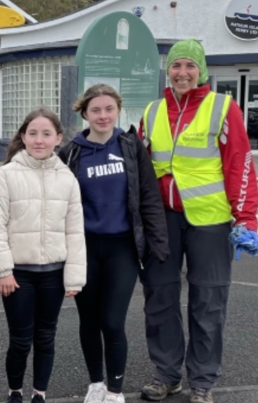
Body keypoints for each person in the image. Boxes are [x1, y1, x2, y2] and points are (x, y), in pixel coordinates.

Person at [137, 39, 258, 403]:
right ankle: (167, 374)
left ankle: (202, 381)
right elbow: (141, 170)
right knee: (159, 297)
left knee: (208, 301)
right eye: (176, 66)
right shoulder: (152, 112)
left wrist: (246, 218)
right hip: (163, 220)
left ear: (201, 70)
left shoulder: (223, 107)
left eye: (190, 66)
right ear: (168, 71)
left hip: (210, 221)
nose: (183, 73)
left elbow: (239, 163)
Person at [58, 84, 169, 403]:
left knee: (112, 320)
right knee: (89, 320)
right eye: (96, 110)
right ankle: (95, 383)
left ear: (117, 110)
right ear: (84, 113)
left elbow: (148, 196)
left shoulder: (131, 146)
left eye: (109, 109)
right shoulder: (71, 152)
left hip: (122, 248)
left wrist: (158, 243)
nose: (103, 115)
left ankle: (115, 390)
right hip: (84, 248)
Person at [0, 107, 86, 403]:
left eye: (46, 134)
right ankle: (15, 392)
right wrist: (3, 270)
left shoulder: (67, 179)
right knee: (21, 340)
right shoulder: (5, 176)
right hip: (18, 275)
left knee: (46, 338)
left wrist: (74, 277)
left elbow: (75, 232)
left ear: (58, 138)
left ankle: (39, 394)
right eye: (33, 133)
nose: (39, 140)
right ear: (23, 137)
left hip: (53, 273)